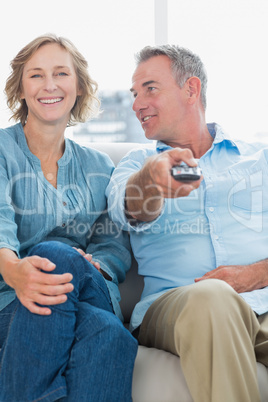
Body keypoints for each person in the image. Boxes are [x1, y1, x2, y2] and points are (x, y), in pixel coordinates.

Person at [106, 44, 268, 402]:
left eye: (150, 88)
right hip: (178, 309)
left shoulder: (260, 160)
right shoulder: (137, 164)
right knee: (213, 298)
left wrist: (253, 274)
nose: (136, 104)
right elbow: (129, 207)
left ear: (191, 90)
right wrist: (152, 179)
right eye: (134, 94)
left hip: (263, 301)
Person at [0, 34, 138, 402]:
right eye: (36, 75)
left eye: (61, 73)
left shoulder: (99, 166)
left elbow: (112, 244)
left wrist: (95, 264)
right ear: (20, 88)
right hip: (10, 299)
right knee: (109, 335)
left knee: (61, 256)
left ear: (78, 87)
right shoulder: (1, 150)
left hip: (89, 288)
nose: (49, 85)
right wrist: (14, 269)